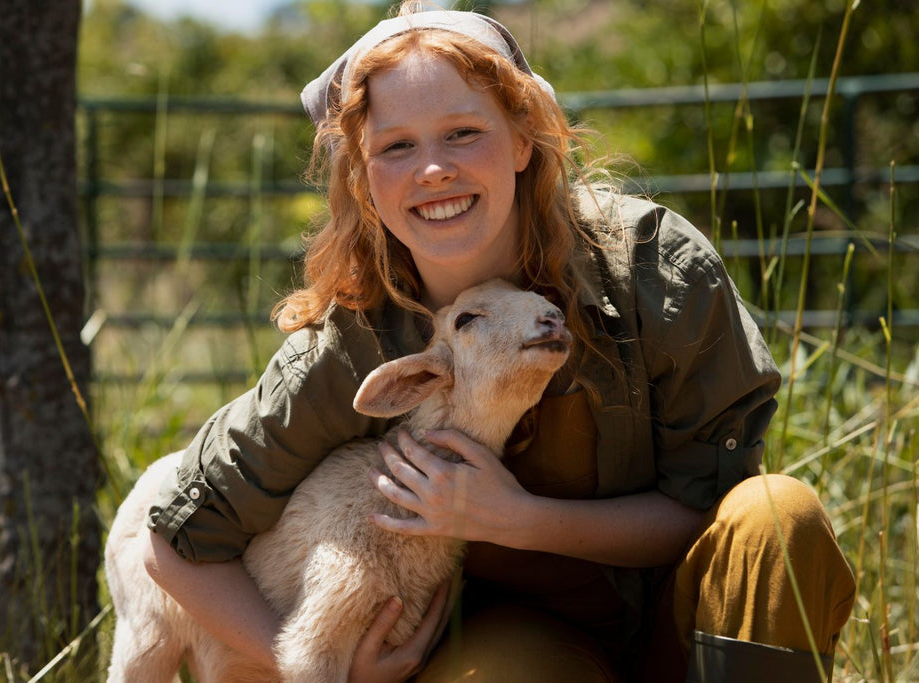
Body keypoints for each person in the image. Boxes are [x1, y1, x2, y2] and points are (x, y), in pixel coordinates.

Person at [141, 4, 856, 681]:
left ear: (522, 138)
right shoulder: (354, 344)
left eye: (462, 132)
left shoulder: (654, 272)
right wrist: (316, 662)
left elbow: (714, 509)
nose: (433, 169)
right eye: (395, 146)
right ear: (363, 179)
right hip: (518, 646)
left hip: (686, 618)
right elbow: (175, 542)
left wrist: (518, 518)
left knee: (779, 516)